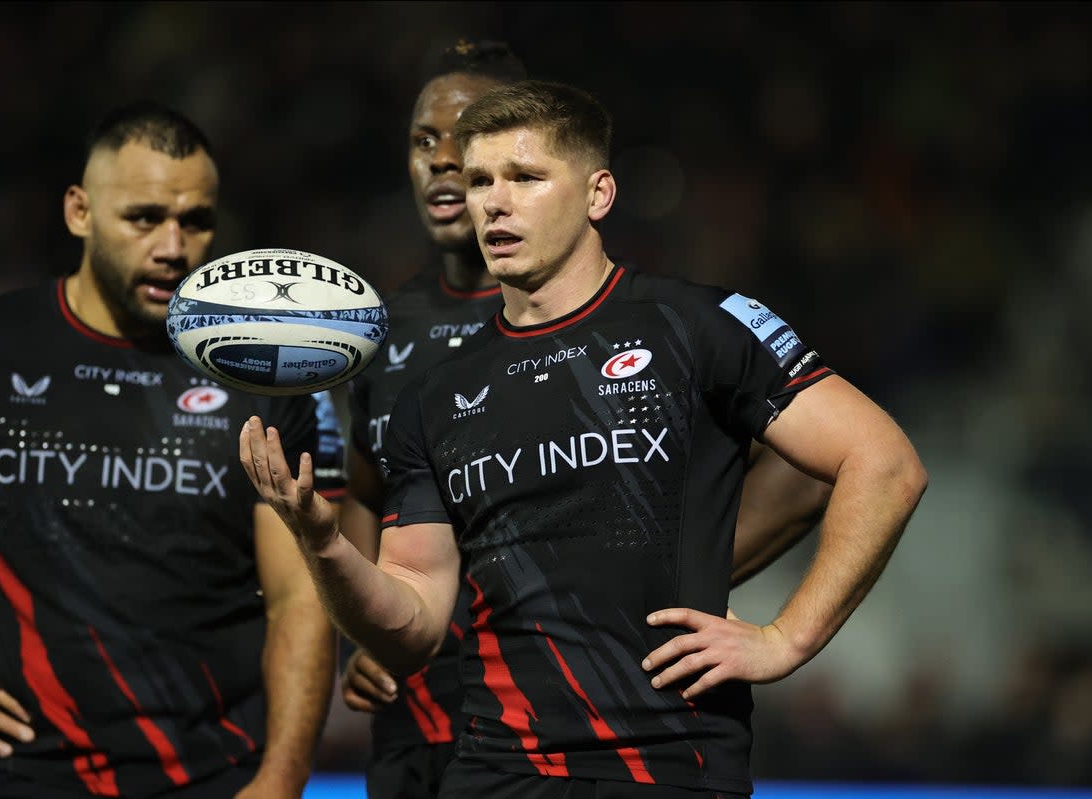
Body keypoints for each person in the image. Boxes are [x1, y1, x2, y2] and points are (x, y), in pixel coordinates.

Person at [241, 79, 927, 797]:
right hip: (495, 772)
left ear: (598, 195)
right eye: (479, 181)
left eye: (525, 177)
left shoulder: (700, 325)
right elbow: (411, 619)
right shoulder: (434, 393)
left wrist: (786, 637)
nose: (494, 202)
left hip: (670, 764)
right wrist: (325, 547)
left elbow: (883, 462)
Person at [337, 40, 833, 799]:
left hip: (636, 739)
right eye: (427, 143)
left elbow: (829, 464)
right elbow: (367, 495)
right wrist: (367, 621)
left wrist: (655, 585)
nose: (448, 163)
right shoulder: (382, 337)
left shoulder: (664, 318)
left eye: (478, 142)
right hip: (441, 733)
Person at [0, 102, 341, 798]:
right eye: (143, 217)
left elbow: (298, 597)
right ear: (79, 210)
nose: (173, 245)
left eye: (196, 221)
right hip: (26, 778)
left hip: (214, 778)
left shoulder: (262, 370)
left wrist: (283, 777)